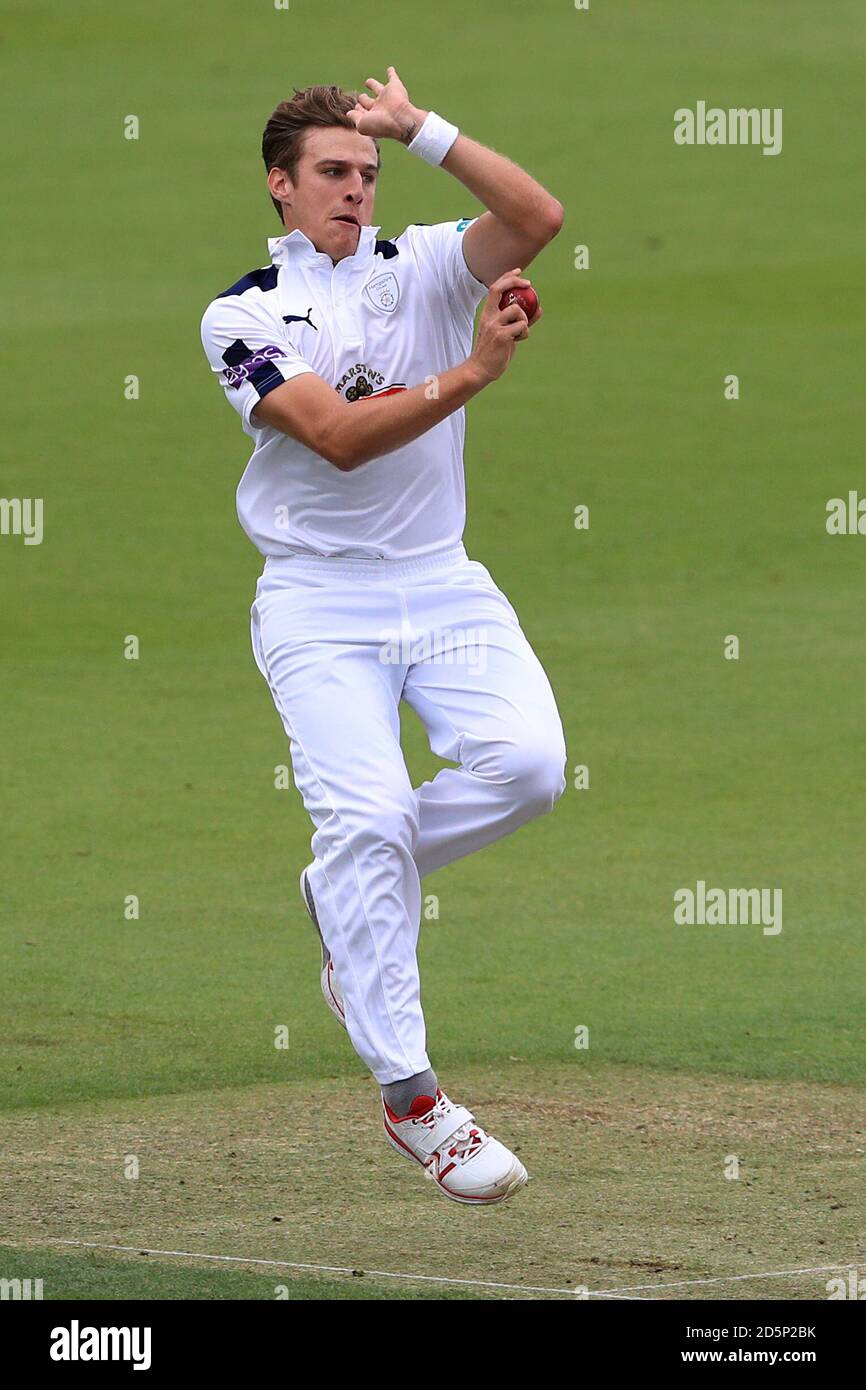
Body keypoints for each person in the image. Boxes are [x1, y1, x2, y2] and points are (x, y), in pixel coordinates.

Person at [200, 67, 567, 1204]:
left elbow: (536, 217)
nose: (354, 190)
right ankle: (416, 1102)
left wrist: (422, 131)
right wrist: (473, 371)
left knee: (529, 769)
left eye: (365, 171)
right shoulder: (243, 314)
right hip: (317, 603)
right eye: (332, 172)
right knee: (363, 816)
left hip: (442, 586)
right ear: (281, 185)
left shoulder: (420, 263)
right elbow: (338, 439)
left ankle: (344, 891)